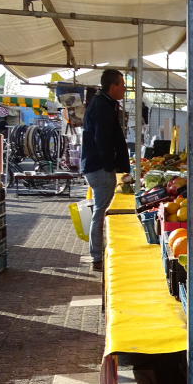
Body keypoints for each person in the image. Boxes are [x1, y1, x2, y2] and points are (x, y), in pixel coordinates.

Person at [81, 69, 130, 271]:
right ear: (113, 87)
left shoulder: (104, 103)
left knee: (100, 211)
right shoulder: (102, 107)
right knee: (101, 212)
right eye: (123, 84)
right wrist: (110, 165)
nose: (125, 88)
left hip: (97, 166)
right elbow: (103, 140)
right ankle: (97, 257)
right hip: (99, 168)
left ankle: (98, 254)